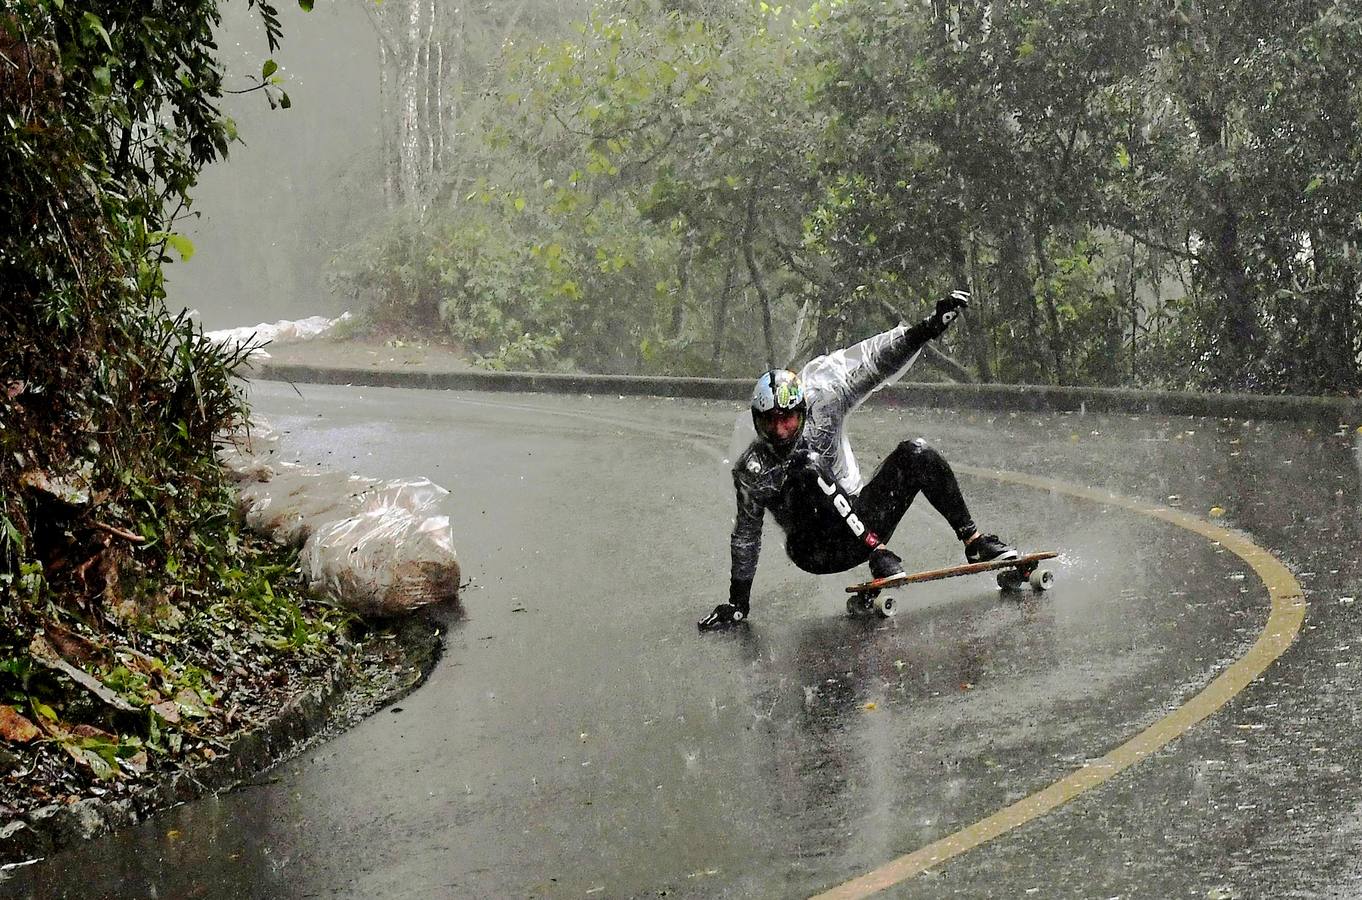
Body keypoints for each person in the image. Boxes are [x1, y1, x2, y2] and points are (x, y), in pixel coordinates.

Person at [698, 290, 1017, 630]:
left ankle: (974, 541)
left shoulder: (826, 400)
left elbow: (876, 364)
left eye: (788, 418)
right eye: (770, 421)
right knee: (806, 465)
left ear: (804, 411)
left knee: (915, 452)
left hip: (859, 515)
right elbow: (747, 534)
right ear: (757, 420)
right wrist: (737, 603)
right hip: (816, 549)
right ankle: (876, 551)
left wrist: (929, 328)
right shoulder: (753, 468)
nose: (780, 430)